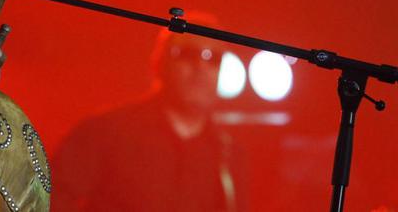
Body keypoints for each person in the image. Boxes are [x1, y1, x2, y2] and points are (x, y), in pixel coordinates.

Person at [52, 13, 250, 211]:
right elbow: (49, 198)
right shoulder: (107, 132)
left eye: (213, 58)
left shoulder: (228, 153)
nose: (200, 66)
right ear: (161, 62)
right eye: (187, 54)